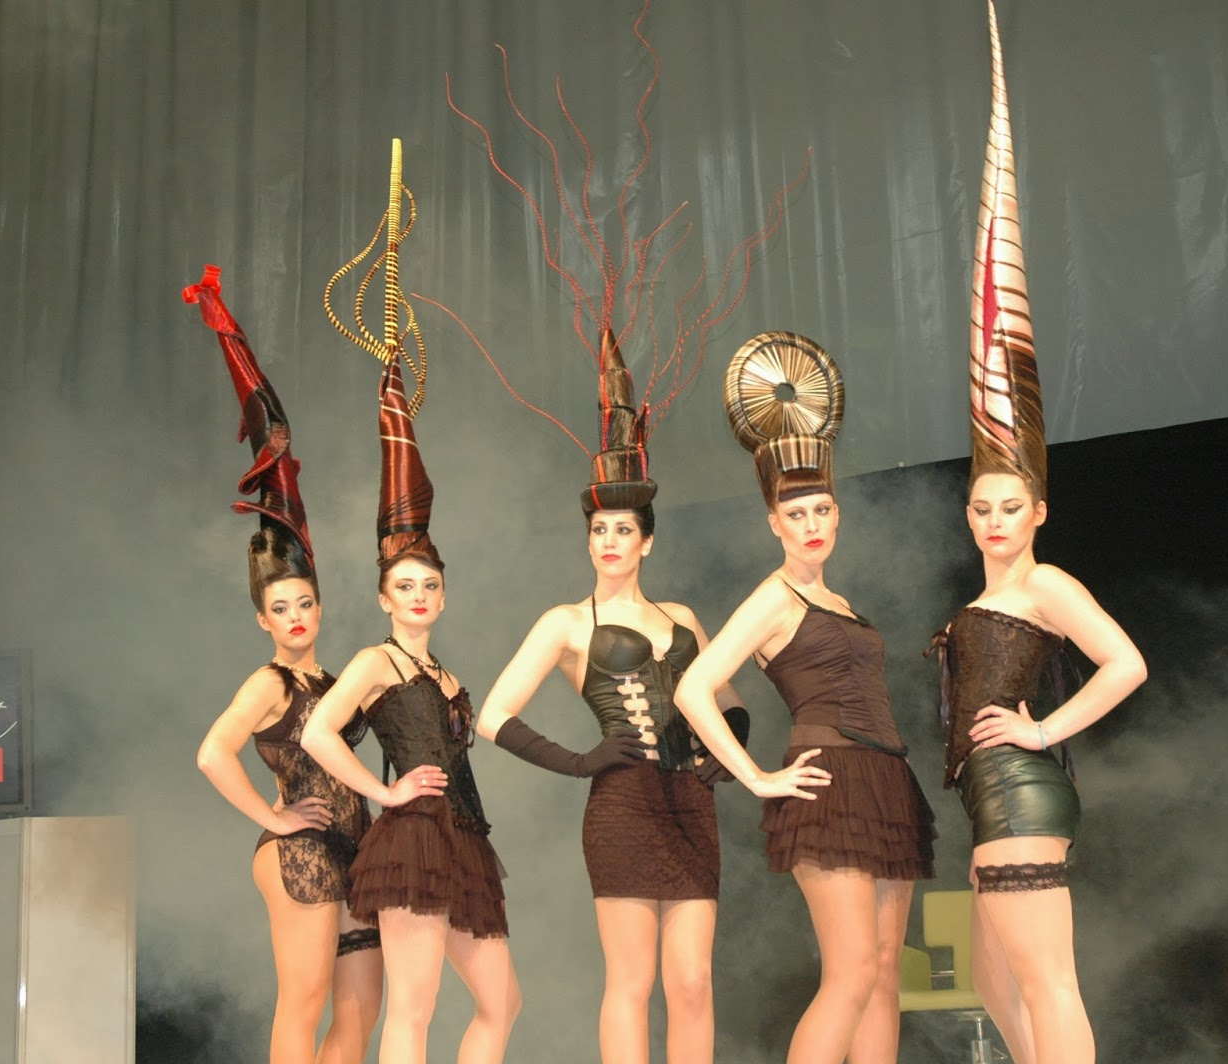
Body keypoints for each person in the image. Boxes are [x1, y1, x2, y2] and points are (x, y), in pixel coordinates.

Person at [924, 10, 1146, 1063]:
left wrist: (1044, 730)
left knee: (1048, 982)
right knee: (990, 979)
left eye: (1010, 506)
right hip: (990, 795)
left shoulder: (1046, 585)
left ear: (1039, 512)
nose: (993, 518)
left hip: (1022, 789)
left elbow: (1126, 664)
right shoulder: (989, 593)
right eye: (981, 506)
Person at [475, 333, 751, 1064]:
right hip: (622, 805)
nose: (609, 541)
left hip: (691, 804)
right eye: (599, 530)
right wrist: (580, 761)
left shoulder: (682, 617)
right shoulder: (567, 622)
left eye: (623, 530)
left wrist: (729, 752)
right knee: (631, 981)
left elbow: (729, 700)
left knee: (692, 982)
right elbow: (492, 716)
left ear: (646, 542)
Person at [302, 143, 520, 1064]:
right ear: (384, 595)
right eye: (407, 586)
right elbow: (321, 734)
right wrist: (384, 790)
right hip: (413, 838)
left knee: (502, 1003)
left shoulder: (443, 668)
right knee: (414, 1012)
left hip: (462, 837)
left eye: (431, 584)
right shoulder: (376, 661)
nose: (421, 595)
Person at [674, 331, 936, 1064]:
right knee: (850, 975)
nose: (812, 526)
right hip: (829, 781)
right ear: (774, 523)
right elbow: (694, 687)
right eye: (797, 516)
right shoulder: (774, 597)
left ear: (837, 512)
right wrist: (757, 776)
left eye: (822, 511)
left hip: (885, 780)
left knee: (884, 978)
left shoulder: (840, 601)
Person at [187, 264, 383, 1064]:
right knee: (302, 1003)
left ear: (319, 607)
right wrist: (272, 820)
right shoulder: (268, 683)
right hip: (299, 850)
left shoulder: (333, 683)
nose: (296, 615)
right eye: (281, 607)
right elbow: (212, 753)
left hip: (356, 848)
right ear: (261, 618)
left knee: (360, 1014)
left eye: (306, 602)